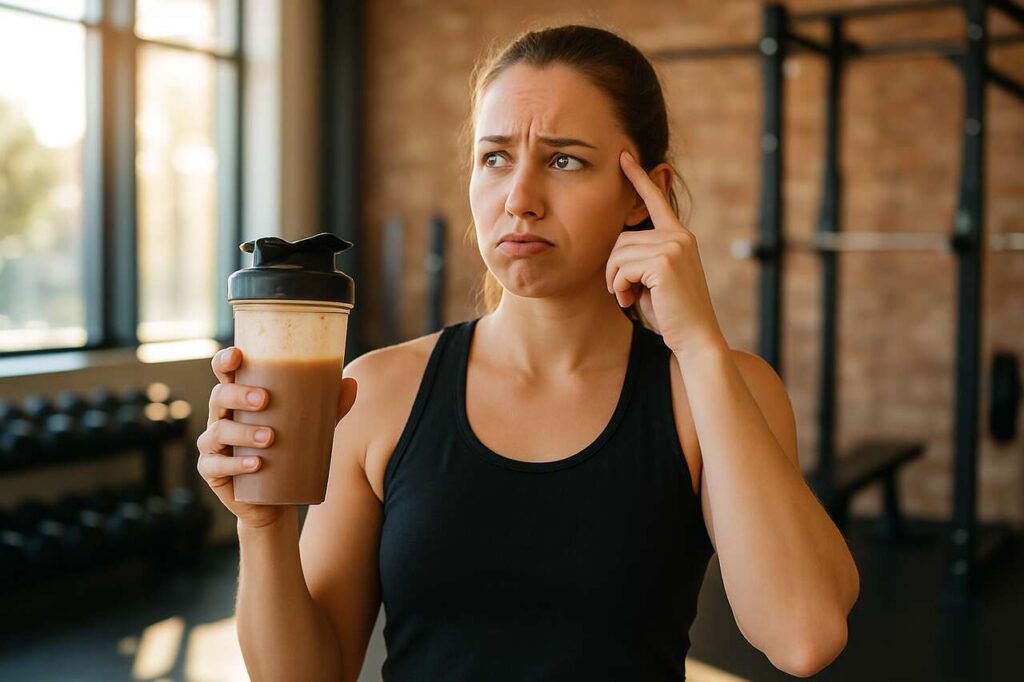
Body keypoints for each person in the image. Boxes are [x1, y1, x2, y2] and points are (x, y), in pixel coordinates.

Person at [197, 24, 859, 682]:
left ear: (641, 192)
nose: (519, 200)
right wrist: (263, 526)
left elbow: (804, 637)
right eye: (495, 158)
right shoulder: (375, 393)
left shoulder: (715, 390)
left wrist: (699, 344)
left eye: (564, 159)